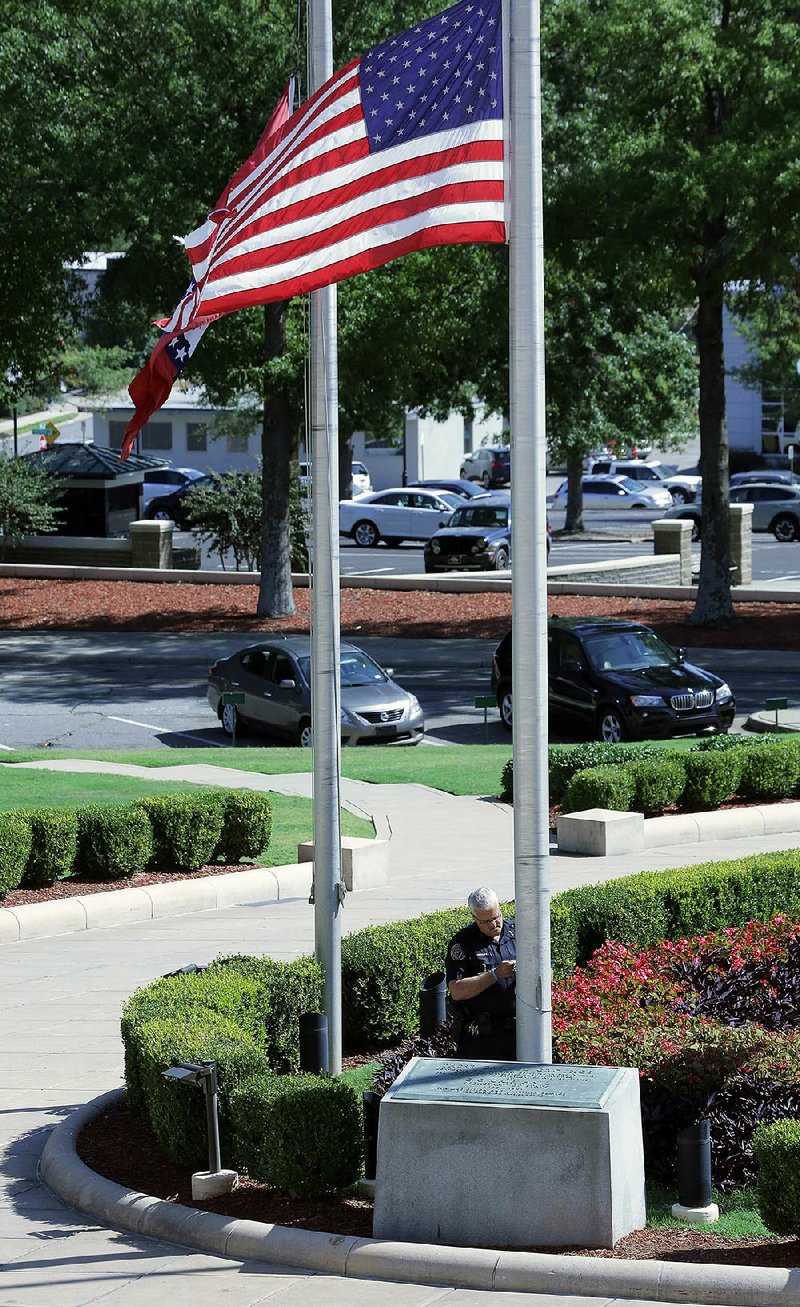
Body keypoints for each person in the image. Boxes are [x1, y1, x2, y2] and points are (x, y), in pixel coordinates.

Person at [445, 886, 516, 1060]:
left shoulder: (519, 931)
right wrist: (494, 975)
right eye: (486, 921)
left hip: (521, 1031)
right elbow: (457, 991)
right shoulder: (463, 943)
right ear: (475, 918)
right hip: (483, 1037)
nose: (494, 924)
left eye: (496, 917)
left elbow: (547, 970)